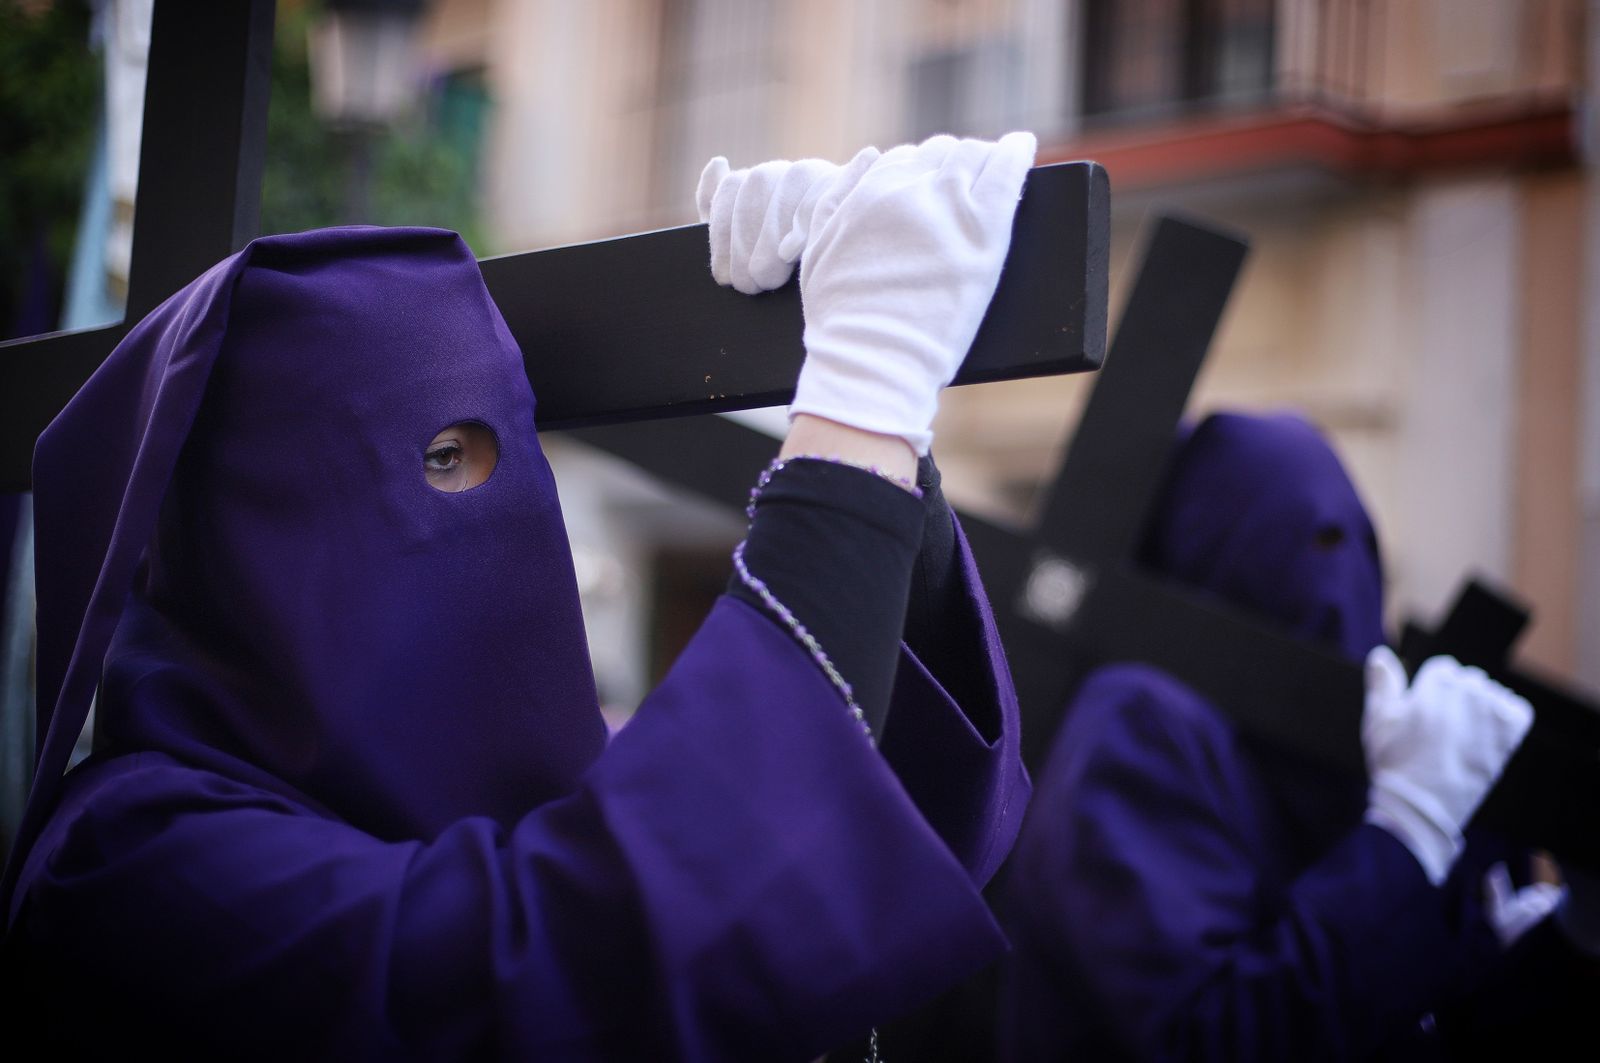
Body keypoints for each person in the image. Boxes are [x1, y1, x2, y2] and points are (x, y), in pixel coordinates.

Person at [0, 133, 1037, 1059]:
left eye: (513, 450)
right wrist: (859, 407)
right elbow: (563, 971)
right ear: (249, 520)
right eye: (441, 455)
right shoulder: (130, 863)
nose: (502, 510)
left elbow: (888, 824)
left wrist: (888, 436)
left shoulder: (511, 793)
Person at [998, 411, 1600, 1061]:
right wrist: (1404, 839)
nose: (1333, 583)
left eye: (1349, 544)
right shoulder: (1140, 727)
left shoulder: (1350, 754)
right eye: (1301, 541)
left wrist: (1562, 943)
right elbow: (1216, 1039)